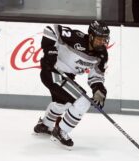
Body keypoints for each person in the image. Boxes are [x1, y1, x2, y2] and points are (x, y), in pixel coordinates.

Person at [33, 20, 110, 149]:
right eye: (99, 39)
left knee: (64, 103)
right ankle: (61, 131)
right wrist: (50, 51)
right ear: (90, 36)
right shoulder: (76, 37)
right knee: (83, 101)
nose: (102, 42)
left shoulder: (101, 55)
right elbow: (50, 30)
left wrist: (98, 89)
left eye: (104, 39)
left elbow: (96, 76)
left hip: (65, 77)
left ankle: (45, 125)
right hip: (52, 72)